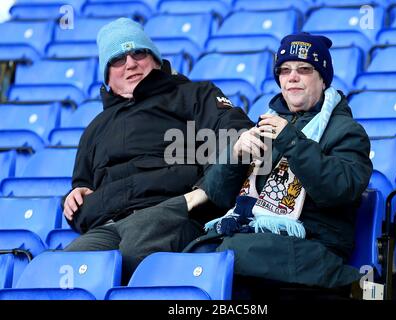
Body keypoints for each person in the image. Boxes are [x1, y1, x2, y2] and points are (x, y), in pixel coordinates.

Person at [62, 17, 253, 283]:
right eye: (117, 59)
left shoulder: (193, 94)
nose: (130, 64)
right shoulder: (95, 128)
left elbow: (234, 132)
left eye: (138, 52)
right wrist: (74, 197)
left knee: (135, 258)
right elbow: (81, 186)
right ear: (107, 75)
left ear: (154, 59)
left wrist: (202, 192)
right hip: (107, 224)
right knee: (64, 270)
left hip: (171, 212)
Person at [192, 32, 373, 298]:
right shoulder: (265, 125)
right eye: (285, 70)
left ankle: (349, 283)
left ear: (323, 78)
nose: (293, 77)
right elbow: (218, 197)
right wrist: (235, 156)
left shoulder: (347, 131)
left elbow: (340, 188)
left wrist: (291, 140)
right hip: (258, 237)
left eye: (304, 69)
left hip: (316, 243)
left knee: (232, 255)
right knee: (197, 251)